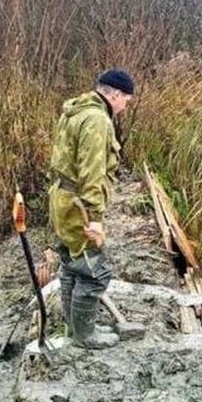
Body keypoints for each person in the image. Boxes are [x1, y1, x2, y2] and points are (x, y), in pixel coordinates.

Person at [48, 68, 134, 348]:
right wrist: (95, 219)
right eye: (126, 100)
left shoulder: (75, 110)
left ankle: (74, 328)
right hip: (78, 208)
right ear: (115, 94)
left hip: (62, 200)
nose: (125, 107)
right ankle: (84, 335)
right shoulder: (97, 120)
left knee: (72, 266)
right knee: (94, 272)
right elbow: (92, 173)